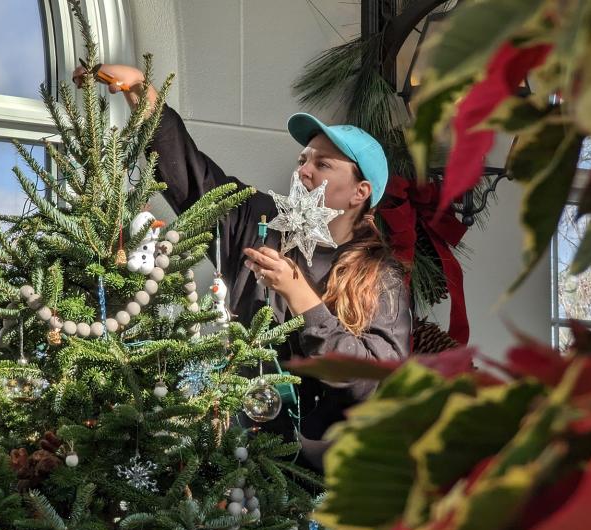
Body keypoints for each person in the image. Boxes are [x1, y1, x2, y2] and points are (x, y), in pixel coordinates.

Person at [73, 64, 412, 470]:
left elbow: (374, 383)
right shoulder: (259, 222)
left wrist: (302, 298)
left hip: (324, 477)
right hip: (239, 457)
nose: (303, 170)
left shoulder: (380, 276)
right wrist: (142, 95)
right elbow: (194, 179)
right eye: (303, 159)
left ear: (361, 192)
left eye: (323, 165)